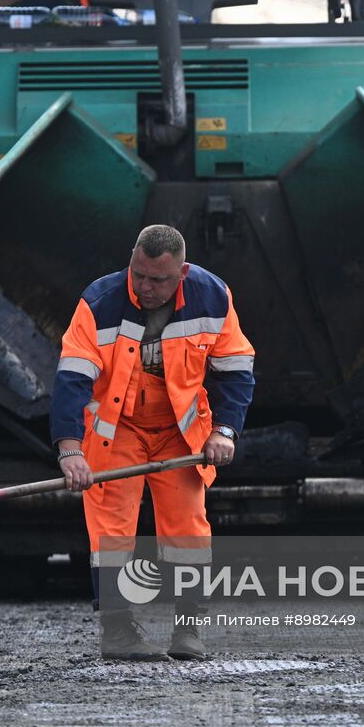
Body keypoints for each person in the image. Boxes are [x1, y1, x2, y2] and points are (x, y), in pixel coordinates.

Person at [51, 225, 255, 661]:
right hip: (116, 430)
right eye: (138, 274)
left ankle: (189, 630)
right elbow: (72, 377)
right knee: (111, 533)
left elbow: (235, 369)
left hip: (180, 433)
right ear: (132, 258)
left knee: (188, 531)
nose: (144, 287)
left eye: (157, 280)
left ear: (181, 272)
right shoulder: (99, 301)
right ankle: (118, 632)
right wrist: (69, 449)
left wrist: (225, 430)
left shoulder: (213, 296)